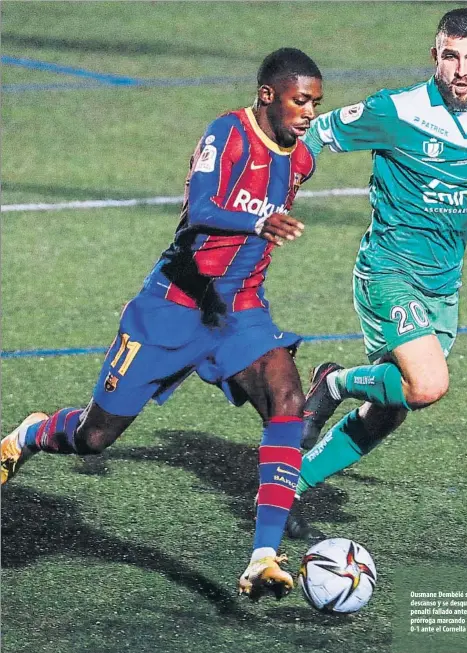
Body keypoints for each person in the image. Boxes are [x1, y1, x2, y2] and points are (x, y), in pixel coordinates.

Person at [1, 48, 324, 599]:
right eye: (301, 100)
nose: (310, 112)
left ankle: (263, 555)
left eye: (317, 102)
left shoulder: (300, 161)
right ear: (268, 95)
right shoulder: (227, 134)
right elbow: (200, 209)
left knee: (286, 398)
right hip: (170, 307)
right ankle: (30, 433)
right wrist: (258, 220)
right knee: (94, 437)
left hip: (238, 309)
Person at [285, 8, 467, 538]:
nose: (461, 69)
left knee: (392, 409)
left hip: (442, 287)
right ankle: (334, 384)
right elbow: (319, 134)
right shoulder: (396, 110)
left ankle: (292, 486)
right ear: (436, 55)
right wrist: (281, 191)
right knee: (427, 384)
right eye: (450, 56)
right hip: (388, 272)